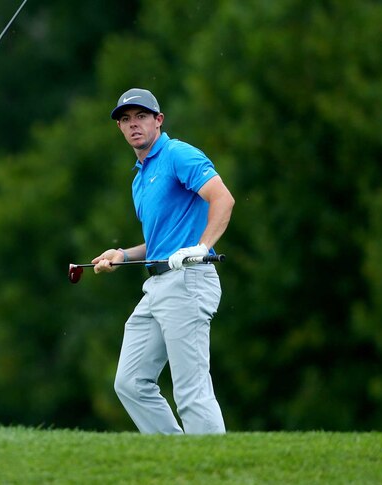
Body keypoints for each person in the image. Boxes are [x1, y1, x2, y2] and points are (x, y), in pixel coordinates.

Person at [91, 88, 235, 434]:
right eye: (125, 120)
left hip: (189, 280)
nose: (133, 125)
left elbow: (223, 199)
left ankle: (216, 470)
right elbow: (162, 241)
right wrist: (123, 254)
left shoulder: (177, 154)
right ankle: (177, 460)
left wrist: (202, 246)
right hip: (157, 285)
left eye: (141, 117)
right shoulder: (139, 178)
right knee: (130, 381)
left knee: (191, 391)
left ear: (159, 120)